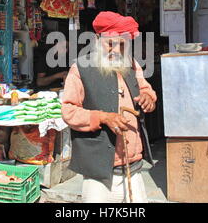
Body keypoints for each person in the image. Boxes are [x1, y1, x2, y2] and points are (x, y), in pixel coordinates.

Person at [61, 11, 156, 203]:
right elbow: (68, 111)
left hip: (133, 163)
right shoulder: (80, 68)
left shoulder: (131, 64)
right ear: (97, 40)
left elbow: (146, 89)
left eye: (122, 44)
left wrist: (148, 97)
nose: (116, 50)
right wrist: (102, 117)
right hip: (99, 168)